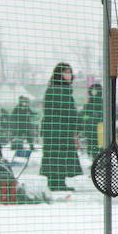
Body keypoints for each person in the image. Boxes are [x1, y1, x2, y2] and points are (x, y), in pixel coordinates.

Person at [40, 62, 82, 190]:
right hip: (56, 130)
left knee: (61, 156)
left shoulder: (64, 90)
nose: (68, 75)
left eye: (69, 72)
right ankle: (55, 183)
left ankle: (59, 182)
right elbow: (63, 111)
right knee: (56, 156)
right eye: (65, 72)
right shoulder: (56, 90)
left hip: (62, 129)